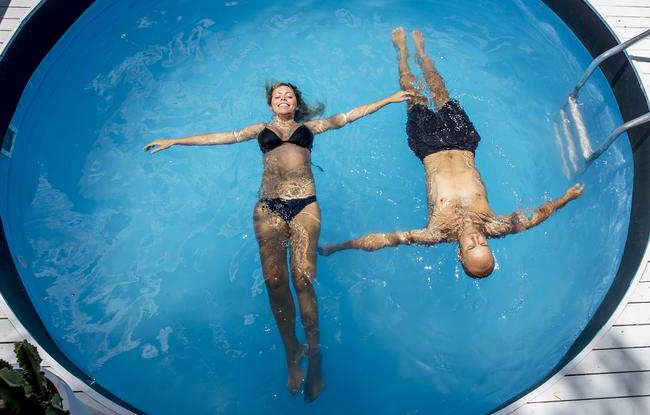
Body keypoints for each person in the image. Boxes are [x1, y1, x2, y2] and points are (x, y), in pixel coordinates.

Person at [144, 81, 413, 400]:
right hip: (268, 206)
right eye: (277, 96)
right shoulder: (259, 129)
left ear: (296, 103)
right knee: (274, 280)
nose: (283, 99)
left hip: (305, 204)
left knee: (303, 278)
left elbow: (348, 116)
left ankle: (315, 353)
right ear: (271, 104)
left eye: (288, 96)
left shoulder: (310, 127)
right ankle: (292, 351)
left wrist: (389, 99)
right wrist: (175, 141)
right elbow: (221, 137)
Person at [320, 28, 584, 278]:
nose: (475, 239)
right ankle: (422, 53)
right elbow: (534, 218)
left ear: (459, 254)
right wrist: (566, 199)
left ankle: (401, 52)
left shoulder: (436, 232)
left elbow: (390, 239)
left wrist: (341, 246)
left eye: (471, 247)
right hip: (463, 142)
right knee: (440, 90)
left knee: (412, 95)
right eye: (482, 244)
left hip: (428, 147)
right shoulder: (495, 225)